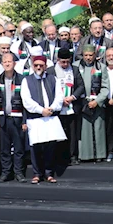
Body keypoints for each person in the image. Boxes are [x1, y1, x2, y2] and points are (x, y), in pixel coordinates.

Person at [21, 53, 66, 183]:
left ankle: (49, 173)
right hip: (35, 118)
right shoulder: (26, 80)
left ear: (46, 66)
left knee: (50, 146)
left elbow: (59, 96)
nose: (39, 67)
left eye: (41, 65)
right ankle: (37, 173)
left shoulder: (53, 79)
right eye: (36, 65)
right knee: (36, 147)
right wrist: (41, 110)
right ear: (33, 66)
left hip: (50, 117)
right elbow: (26, 100)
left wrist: (50, 109)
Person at [48, 47, 85, 166]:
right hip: (58, 108)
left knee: (72, 133)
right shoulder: (51, 71)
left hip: (71, 106)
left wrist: (72, 97)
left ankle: (73, 155)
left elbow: (80, 86)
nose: (65, 64)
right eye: (62, 62)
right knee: (59, 133)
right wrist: (60, 100)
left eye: (67, 62)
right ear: (58, 60)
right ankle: (59, 157)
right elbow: (48, 89)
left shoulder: (74, 70)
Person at [0, 52, 27, 182]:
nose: (7, 64)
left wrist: (25, 121)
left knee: (19, 148)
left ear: (14, 63)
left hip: (17, 118)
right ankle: (5, 173)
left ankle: (18, 172)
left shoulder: (22, 80)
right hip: (3, 119)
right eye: (5, 62)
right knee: (4, 149)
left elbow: (26, 102)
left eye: (9, 61)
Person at [77, 45, 110, 162]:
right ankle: (85, 155)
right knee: (84, 129)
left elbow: (106, 87)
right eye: (86, 55)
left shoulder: (102, 67)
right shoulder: (76, 66)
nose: (88, 58)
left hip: (97, 101)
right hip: (82, 102)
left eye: (90, 55)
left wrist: (98, 101)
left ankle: (100, 154)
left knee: (99, 127)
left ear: (95, 55)